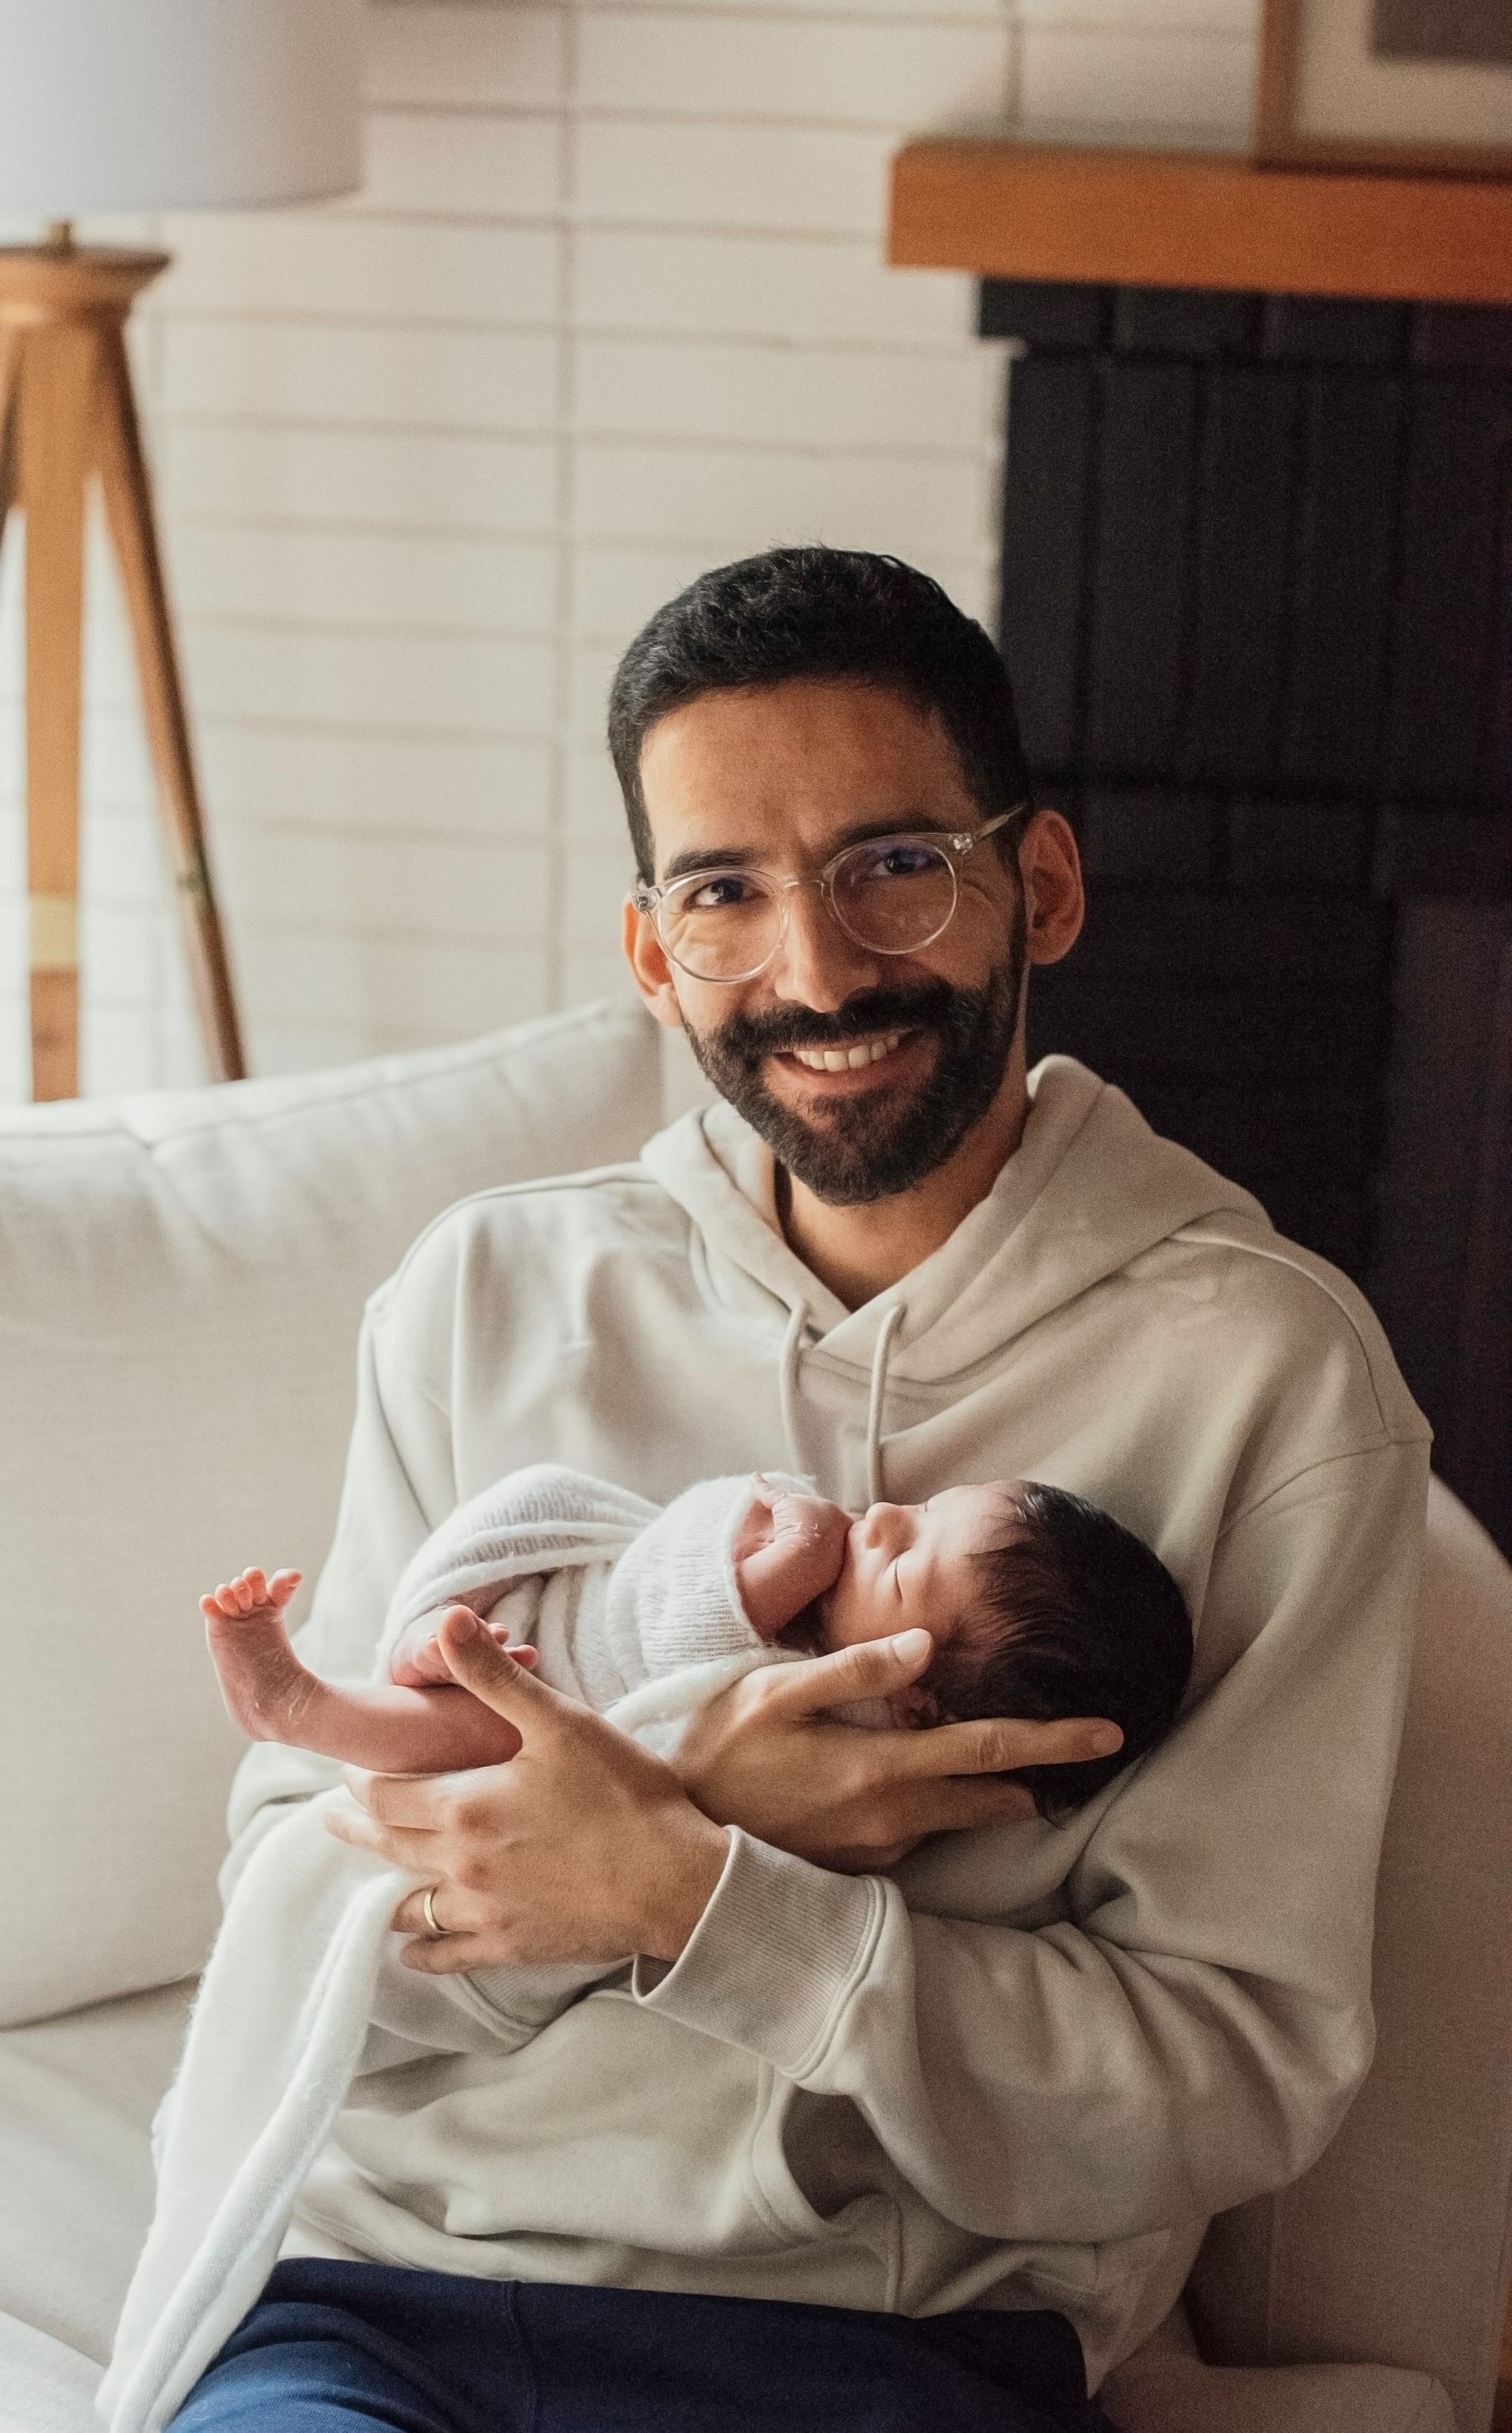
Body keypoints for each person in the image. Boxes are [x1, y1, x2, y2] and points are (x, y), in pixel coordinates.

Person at [108, 547, 1429, 2433]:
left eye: (896, 865)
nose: (815, 971)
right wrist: (643, 1825)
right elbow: (290, 1915)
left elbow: (1227, 2070)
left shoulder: (1265, 1383)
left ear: (1036, 884)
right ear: (656, 954)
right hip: (375, 2305)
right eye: (727, 892)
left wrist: (708, 1895)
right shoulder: (489, 1295)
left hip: (884, 2353)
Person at [197, 1466, 1195, 1822]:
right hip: (564, 1616)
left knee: (461, 1740)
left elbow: (695, 1651)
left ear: (915, 1701)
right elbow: (675, 1543)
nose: (881, 1518)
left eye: (903, 1566)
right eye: (927, 1508)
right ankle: (425, 1632)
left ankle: (298, 1705)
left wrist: (791, 1550)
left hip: (565, 1721)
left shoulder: (838, 1714)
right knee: (537, 1505)